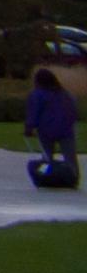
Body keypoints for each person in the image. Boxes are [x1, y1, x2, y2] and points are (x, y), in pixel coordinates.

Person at [29, 53, 78, 190]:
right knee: (70, 158)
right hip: (66, 130)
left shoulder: (37, 94)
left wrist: (29, 127)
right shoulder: (64, 94)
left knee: (47, 158)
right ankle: (72, 179)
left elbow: (34, 112)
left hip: (46, 130)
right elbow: (73, 111)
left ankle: (48, 178)